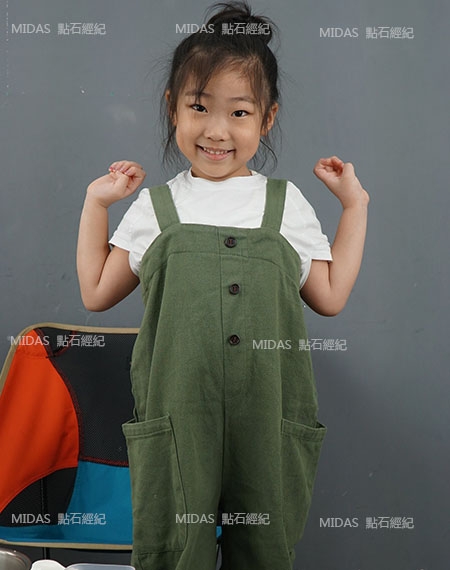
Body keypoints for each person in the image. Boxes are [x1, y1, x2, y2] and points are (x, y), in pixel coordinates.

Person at [76, 2, 369, 569]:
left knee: (263, 553)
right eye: (199, 107)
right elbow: (95, 291)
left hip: (268, 423)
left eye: (239, 112)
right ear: (173, 107)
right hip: (177, 423)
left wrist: (354, 206)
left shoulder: (286, 205)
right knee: (174, 553)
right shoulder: (155, 207)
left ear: (267, 118)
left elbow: (330, 297)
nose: (216, 130)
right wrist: (96, 203)